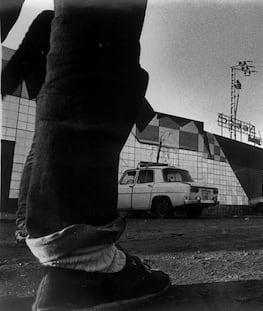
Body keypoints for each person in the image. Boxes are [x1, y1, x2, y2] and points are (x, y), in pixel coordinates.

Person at [2, 0, 171, 310]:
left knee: (39, 154)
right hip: (67, 99)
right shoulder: (47, 23)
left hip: (57, 103)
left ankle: (55, 242)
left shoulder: (49, 22)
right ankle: (82, 263)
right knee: (104, 27)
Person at [1, 10, 54, 243]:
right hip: (50, 87)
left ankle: (35, 220)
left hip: (66, 90)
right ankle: (25, 222)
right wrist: (4, 85)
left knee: (48, 153)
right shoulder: (53, 18)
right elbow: (24, 52)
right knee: (39, 151)